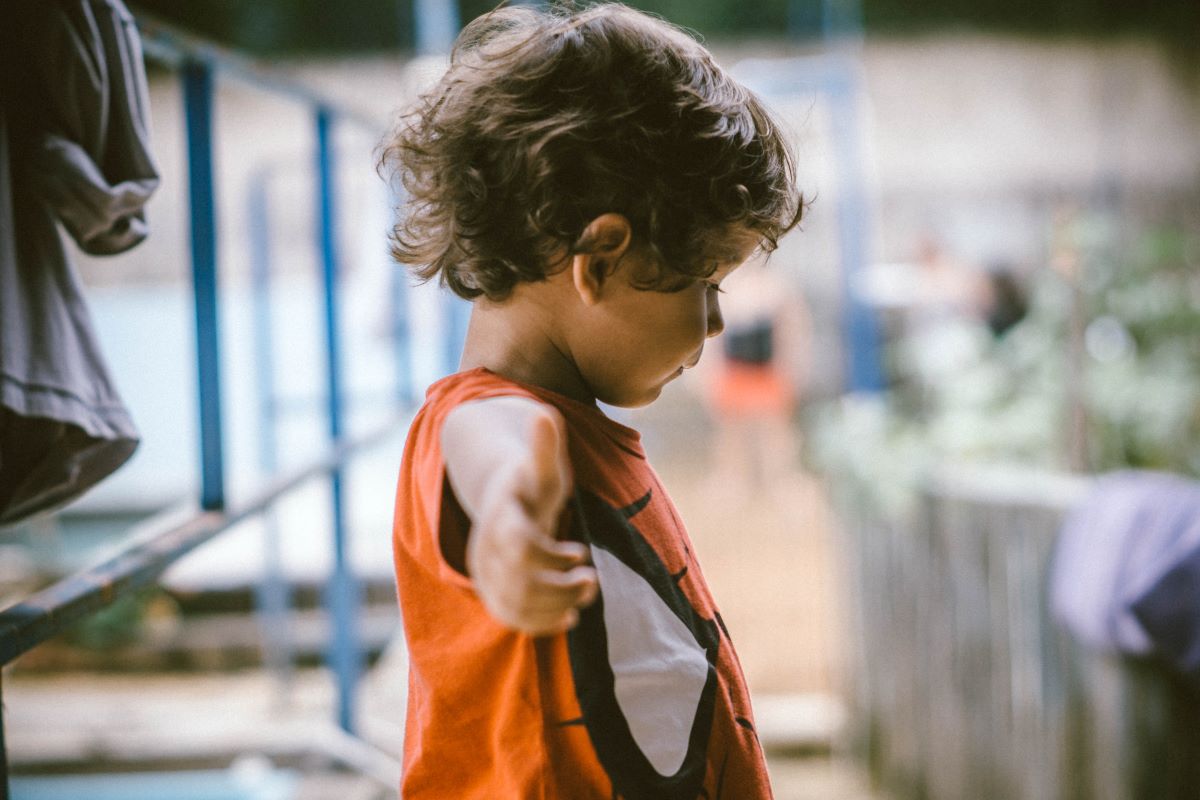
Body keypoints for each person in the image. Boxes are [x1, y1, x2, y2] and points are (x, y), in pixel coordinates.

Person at [380, 5, 804, 798]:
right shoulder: (486, 419)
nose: (715, 320)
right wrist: (507, 516)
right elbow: (491, 438)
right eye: (706, 282)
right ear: (600, 258)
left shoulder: (581, 430)